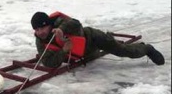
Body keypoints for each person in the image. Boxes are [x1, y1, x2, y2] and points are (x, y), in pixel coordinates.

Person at [30, 11, 165, 68]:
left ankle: (147, 48)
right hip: (82, 53)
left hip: (94, 38)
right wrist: (64, 50)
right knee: (95, 54)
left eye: (42, 28)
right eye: (36, 30)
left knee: (124, 51)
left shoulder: (60, 22)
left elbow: (76, 23)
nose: (40, 32)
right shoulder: (40, 41)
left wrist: (62, 30)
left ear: (49, 24)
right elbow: (48, 62)